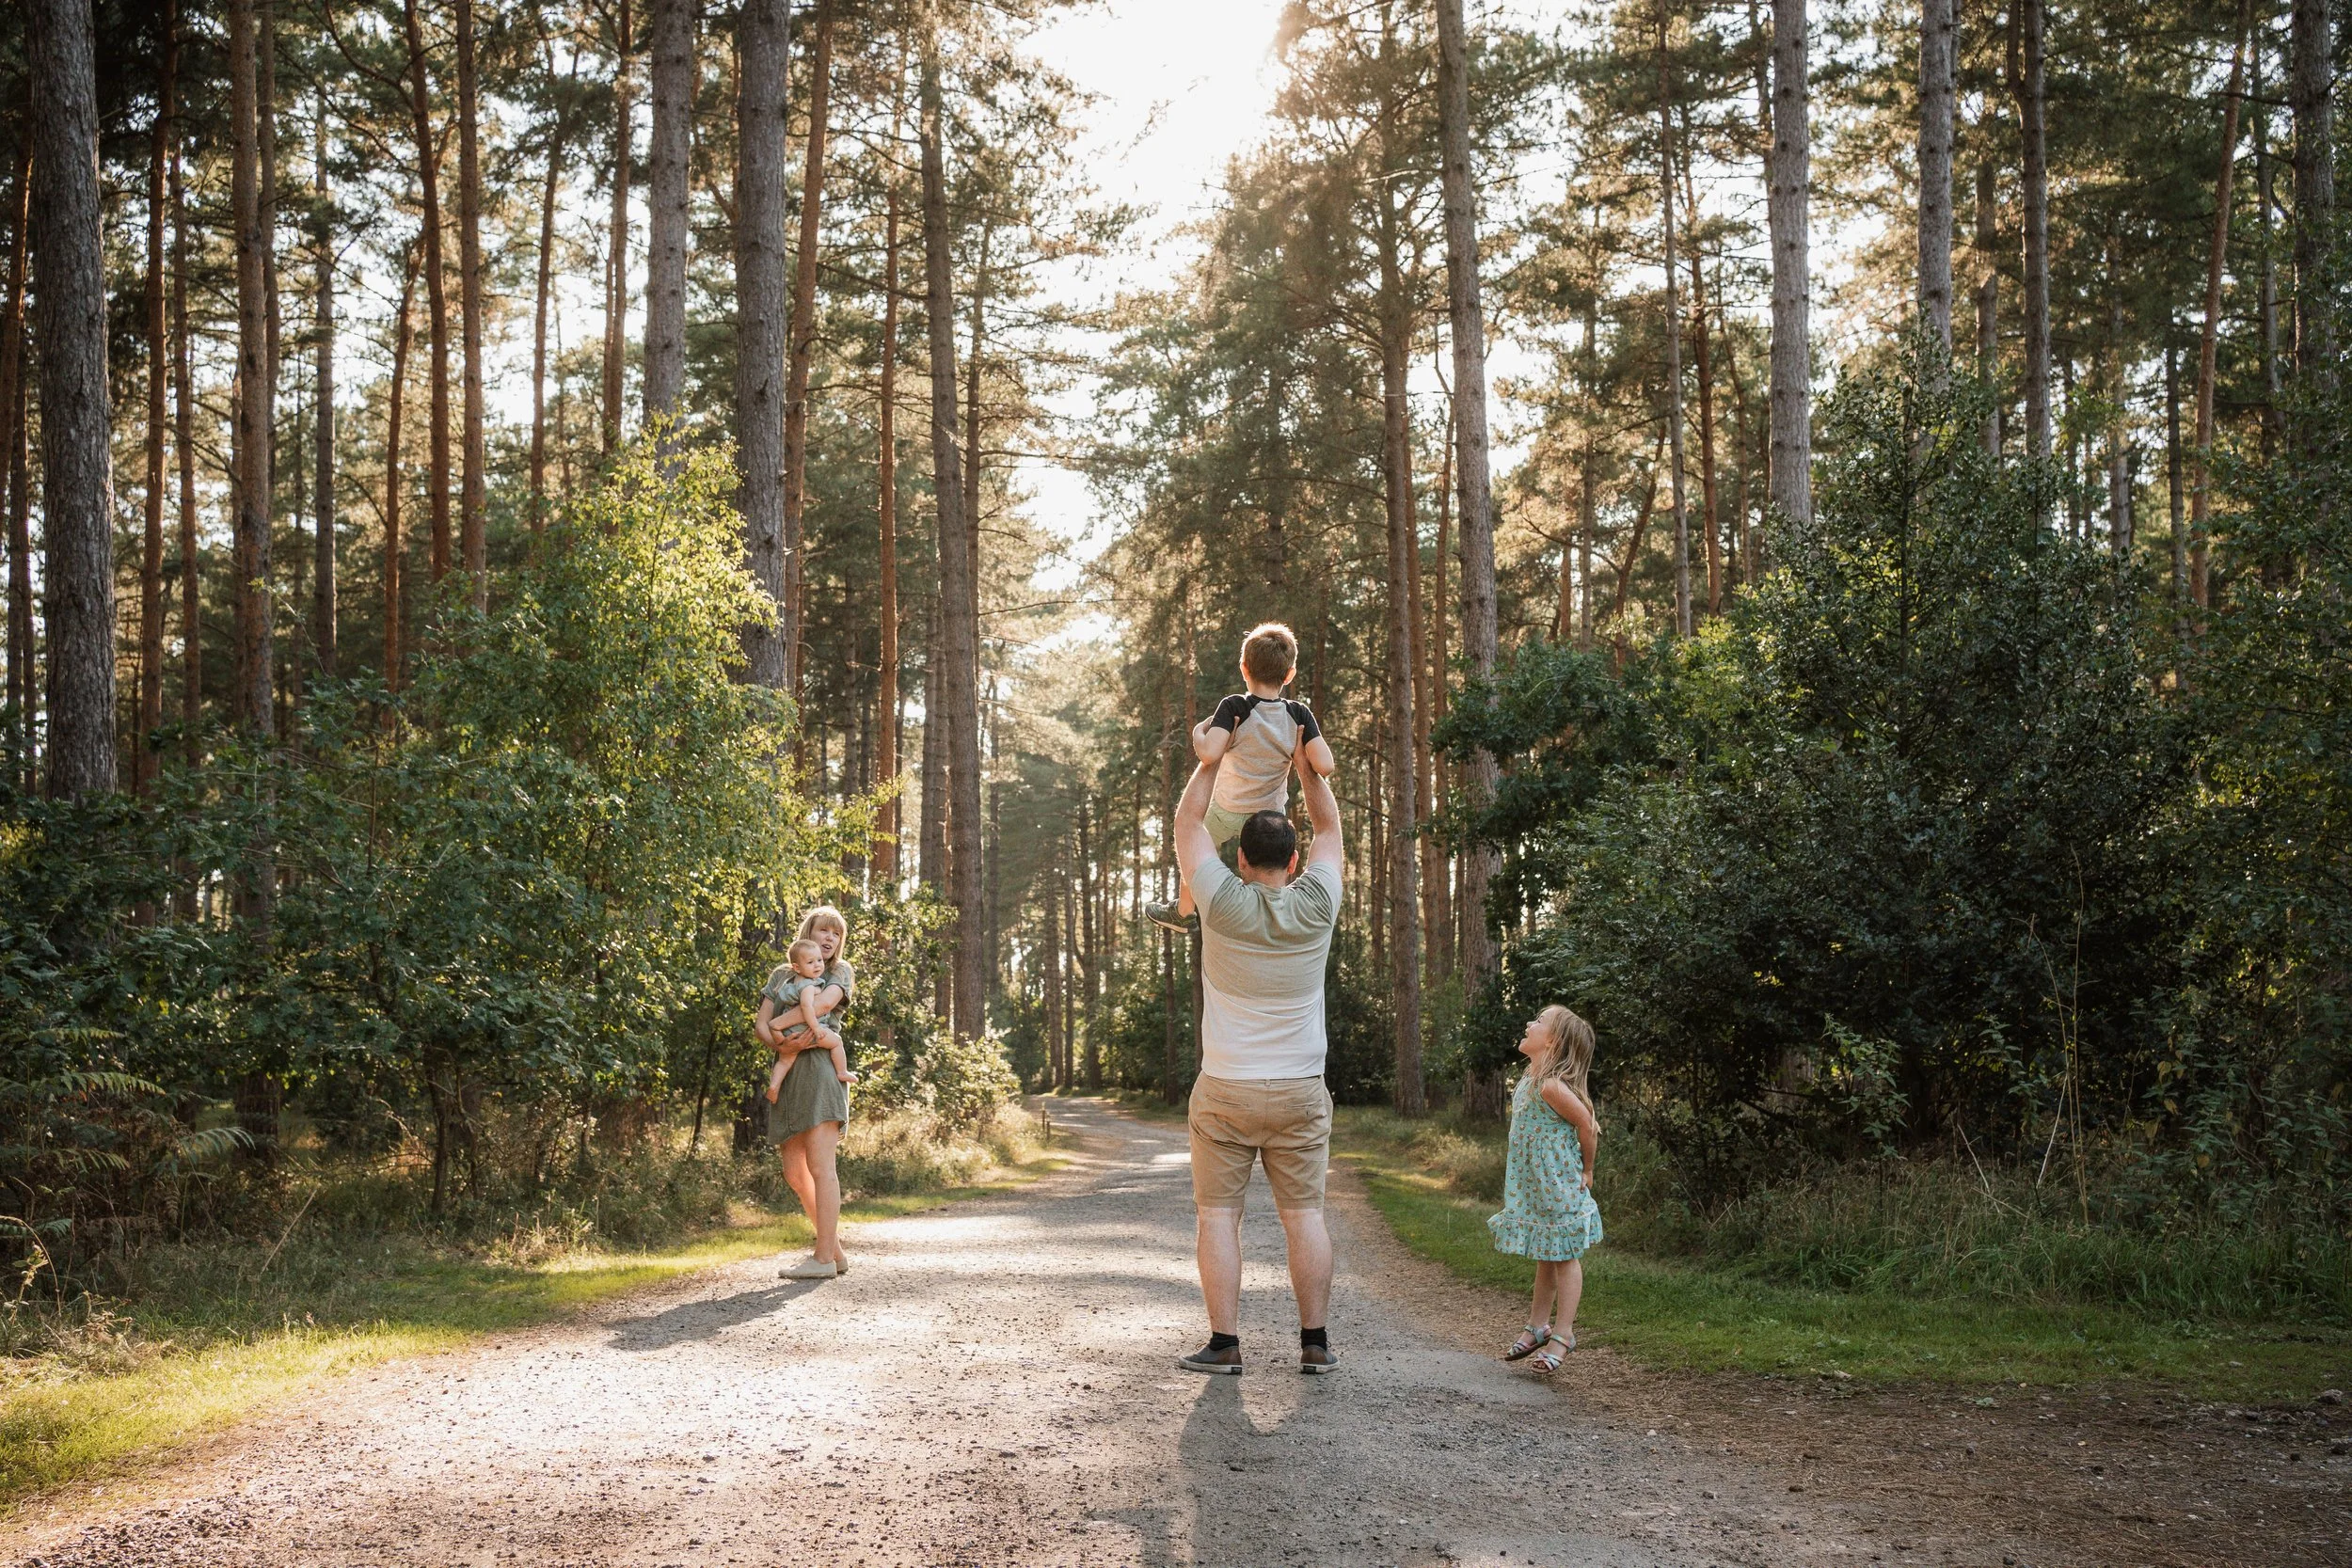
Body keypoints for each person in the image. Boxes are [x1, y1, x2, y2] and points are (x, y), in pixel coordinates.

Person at [1172, 743, 1344, 1375]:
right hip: (1300, 1090)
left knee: (1219, 1214)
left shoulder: (1220, 897)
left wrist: (1218, 754)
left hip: (1226, 1091)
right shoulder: (1318, 900)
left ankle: (1225, 1344)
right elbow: (1330, 826)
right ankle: (1315, 1342)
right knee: (1305, 1217)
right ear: (1294, 859)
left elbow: (1188, 825)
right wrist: (1303, 760)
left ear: (1240, 860)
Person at [1146, 622, 1335, 935]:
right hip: (1270, 816)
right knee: (1267, 868)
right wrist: (1299, 752)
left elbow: (1209, 754)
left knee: (1194, 841)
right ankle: (1271, 920)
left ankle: (1182, 913)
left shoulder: (1234, 707)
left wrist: (1198, 732)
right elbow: (1325, 765)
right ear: (1289, 674)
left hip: (1228, 808)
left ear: (1244, 668)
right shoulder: (1298, 714)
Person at [1489, 1006, 1604, 1373]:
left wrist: (1587, 1170)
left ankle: (1564, 1334)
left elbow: (1588, 1124)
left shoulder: (1552, 1087)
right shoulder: (1529, 1078)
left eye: (1538, 1022)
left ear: (1553, 1041)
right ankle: (1538, 1325)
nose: (1529, 1024)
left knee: (1565, 1257)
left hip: (1559, 1186)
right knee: (1545, 1254)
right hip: (1535, 1189)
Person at [756, 906, 857, 1281]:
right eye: (822, 931)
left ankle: (821, 1258)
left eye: (836, 933)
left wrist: (783, 1025)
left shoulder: (839, 972)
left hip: (821, 1071)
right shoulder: (781, 976)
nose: (829, 939)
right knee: (794, 1172)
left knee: (821, 1167)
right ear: (807, 933)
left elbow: (824, 1005)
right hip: (790, 1071)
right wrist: (783, 1047)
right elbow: (760, 1026)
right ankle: (834, 1251)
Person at [763, 937, 857, 1103]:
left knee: (785, 1061)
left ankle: (774, 1086)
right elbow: (808, 1008)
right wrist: (816, 1028)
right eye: (811, 962)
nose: (817, 965)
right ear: (797, 967)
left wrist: (781, 1042)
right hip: (807, 1030)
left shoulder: (792, 983)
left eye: (819, 960)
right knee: (836, 1042)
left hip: (790, 1033)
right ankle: (842, 1071)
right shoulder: (808, 986)